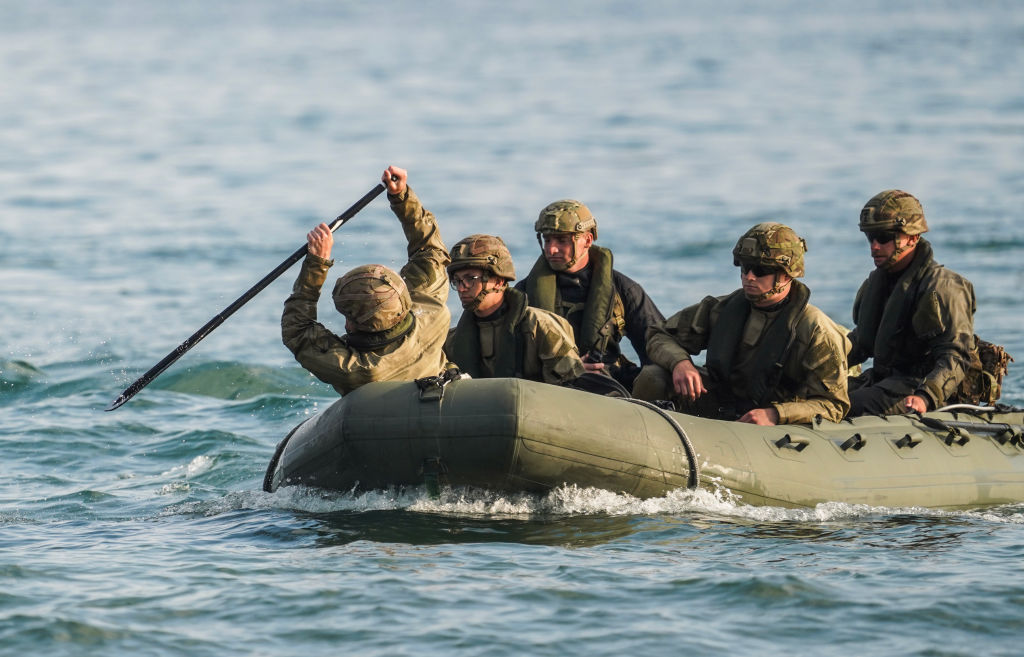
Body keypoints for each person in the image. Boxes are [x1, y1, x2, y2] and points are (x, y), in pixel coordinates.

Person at [632, 222, 850, 425]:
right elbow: (659, 334)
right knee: (653, 377)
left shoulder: (816, 330)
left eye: (761, 270)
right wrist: (680, 363)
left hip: (776, 418)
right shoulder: (722, 309)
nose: (749, 277)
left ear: (786, 275)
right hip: (724, 402)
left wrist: (776, 414)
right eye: (745, 267)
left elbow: (834, 405)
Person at [281, 166, 450, 395]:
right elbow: (430, 251)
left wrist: (317, 264)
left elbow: (297, 331)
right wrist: (402, 197)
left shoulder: (358, 369)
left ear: (351, 325)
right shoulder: (433, 314)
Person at [846, 190, 977, 415]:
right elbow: (861, 342)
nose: (874, 246)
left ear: (913, 237)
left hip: (922, 388)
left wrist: (925, 397)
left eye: (884, 237)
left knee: (846, 407)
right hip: (884, 382)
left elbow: (955, 356)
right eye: (870, 237)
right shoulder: (880, 282)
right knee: (814, 396)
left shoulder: (943, 287)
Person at [515, 200, 664, 389]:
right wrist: (567, 370)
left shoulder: (621, 290)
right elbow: (510, 359)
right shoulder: (524, 294)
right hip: (549, 387)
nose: (551, 249)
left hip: (608, 383)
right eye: (547, 240)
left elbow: (657, 343)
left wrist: (678, 366)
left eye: (561, 240)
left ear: (587, 240)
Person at [444, 234, 586, 384]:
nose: (461, 288)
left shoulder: (540, 328)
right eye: (457, 281)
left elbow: (574, 387)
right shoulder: (451, 341)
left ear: (498, 281)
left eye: (470, 279)